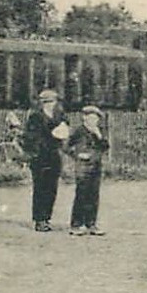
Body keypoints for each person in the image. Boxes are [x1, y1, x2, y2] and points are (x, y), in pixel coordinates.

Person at [23, 88, 69, 231]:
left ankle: (47, 218)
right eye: (47, 102)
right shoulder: (36, 117)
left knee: (52, 188)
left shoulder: (60, 116)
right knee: (40, 187)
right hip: (40, 156)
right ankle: (39, 219)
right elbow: (31, 137)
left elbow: (65, 129)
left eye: (52, 101)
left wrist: (61, 134)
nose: (50, 104)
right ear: (42, 103)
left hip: (54, 155)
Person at [65, 105, 109, 236]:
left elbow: (106, 146)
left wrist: (99, 136)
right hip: (83, 166)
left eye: (96, 118)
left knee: (94, 195)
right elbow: (66, 146)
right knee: (81, 194)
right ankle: (76, 224)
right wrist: (77, 155)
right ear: (84, 118)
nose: (94, 121)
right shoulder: (78, 131)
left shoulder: (98, 131)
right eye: (91, 117)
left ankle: (91, 224)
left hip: (96, 165)